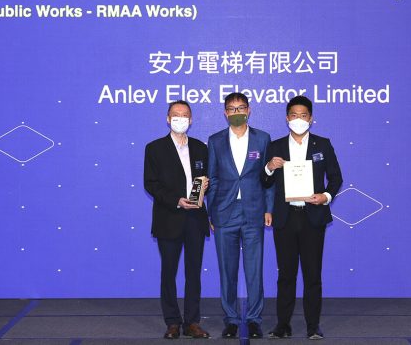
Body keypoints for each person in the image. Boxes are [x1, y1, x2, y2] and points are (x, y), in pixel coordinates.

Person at [264, 96, 343, 340]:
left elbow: (336, 177)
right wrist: (269, 167)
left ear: (311, 118)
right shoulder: (276, 146)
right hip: (285, 218)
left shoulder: (323, 145)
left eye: (303, 115)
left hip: (313, 218)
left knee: (312, 274)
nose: (299, 119)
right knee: (286, 275)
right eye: (294, 115)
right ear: (287, 118)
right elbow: (264, 182)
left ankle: (313, 325)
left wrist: (326, 196)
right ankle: (282, 325)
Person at [206, 92, 274, 339]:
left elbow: (268, 178)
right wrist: (210, 213)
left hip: (254, 212)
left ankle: (254, 319)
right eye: (232, 109)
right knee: (227, 270)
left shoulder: (262, 139)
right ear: (225, 113)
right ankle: (232, 320)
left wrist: (268, 208)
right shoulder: (215, 141)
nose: (237, 112)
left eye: (241, 107)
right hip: (224, 213)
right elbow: (212, 179)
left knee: (254, 269)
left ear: (249, 110)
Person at [144, 100, 210, 339]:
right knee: (168, 272)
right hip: (169, 218)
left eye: (185, 115)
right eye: (175, 115)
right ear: (168, 118)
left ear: (191, 120)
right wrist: (177, 200)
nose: (180, 119)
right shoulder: (154, 148)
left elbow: (207, 179)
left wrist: (207, 185)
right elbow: (151, 184)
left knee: (194, 272)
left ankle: (192, 322)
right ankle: (172, 322)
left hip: (195, 219)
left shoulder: (201, 148)